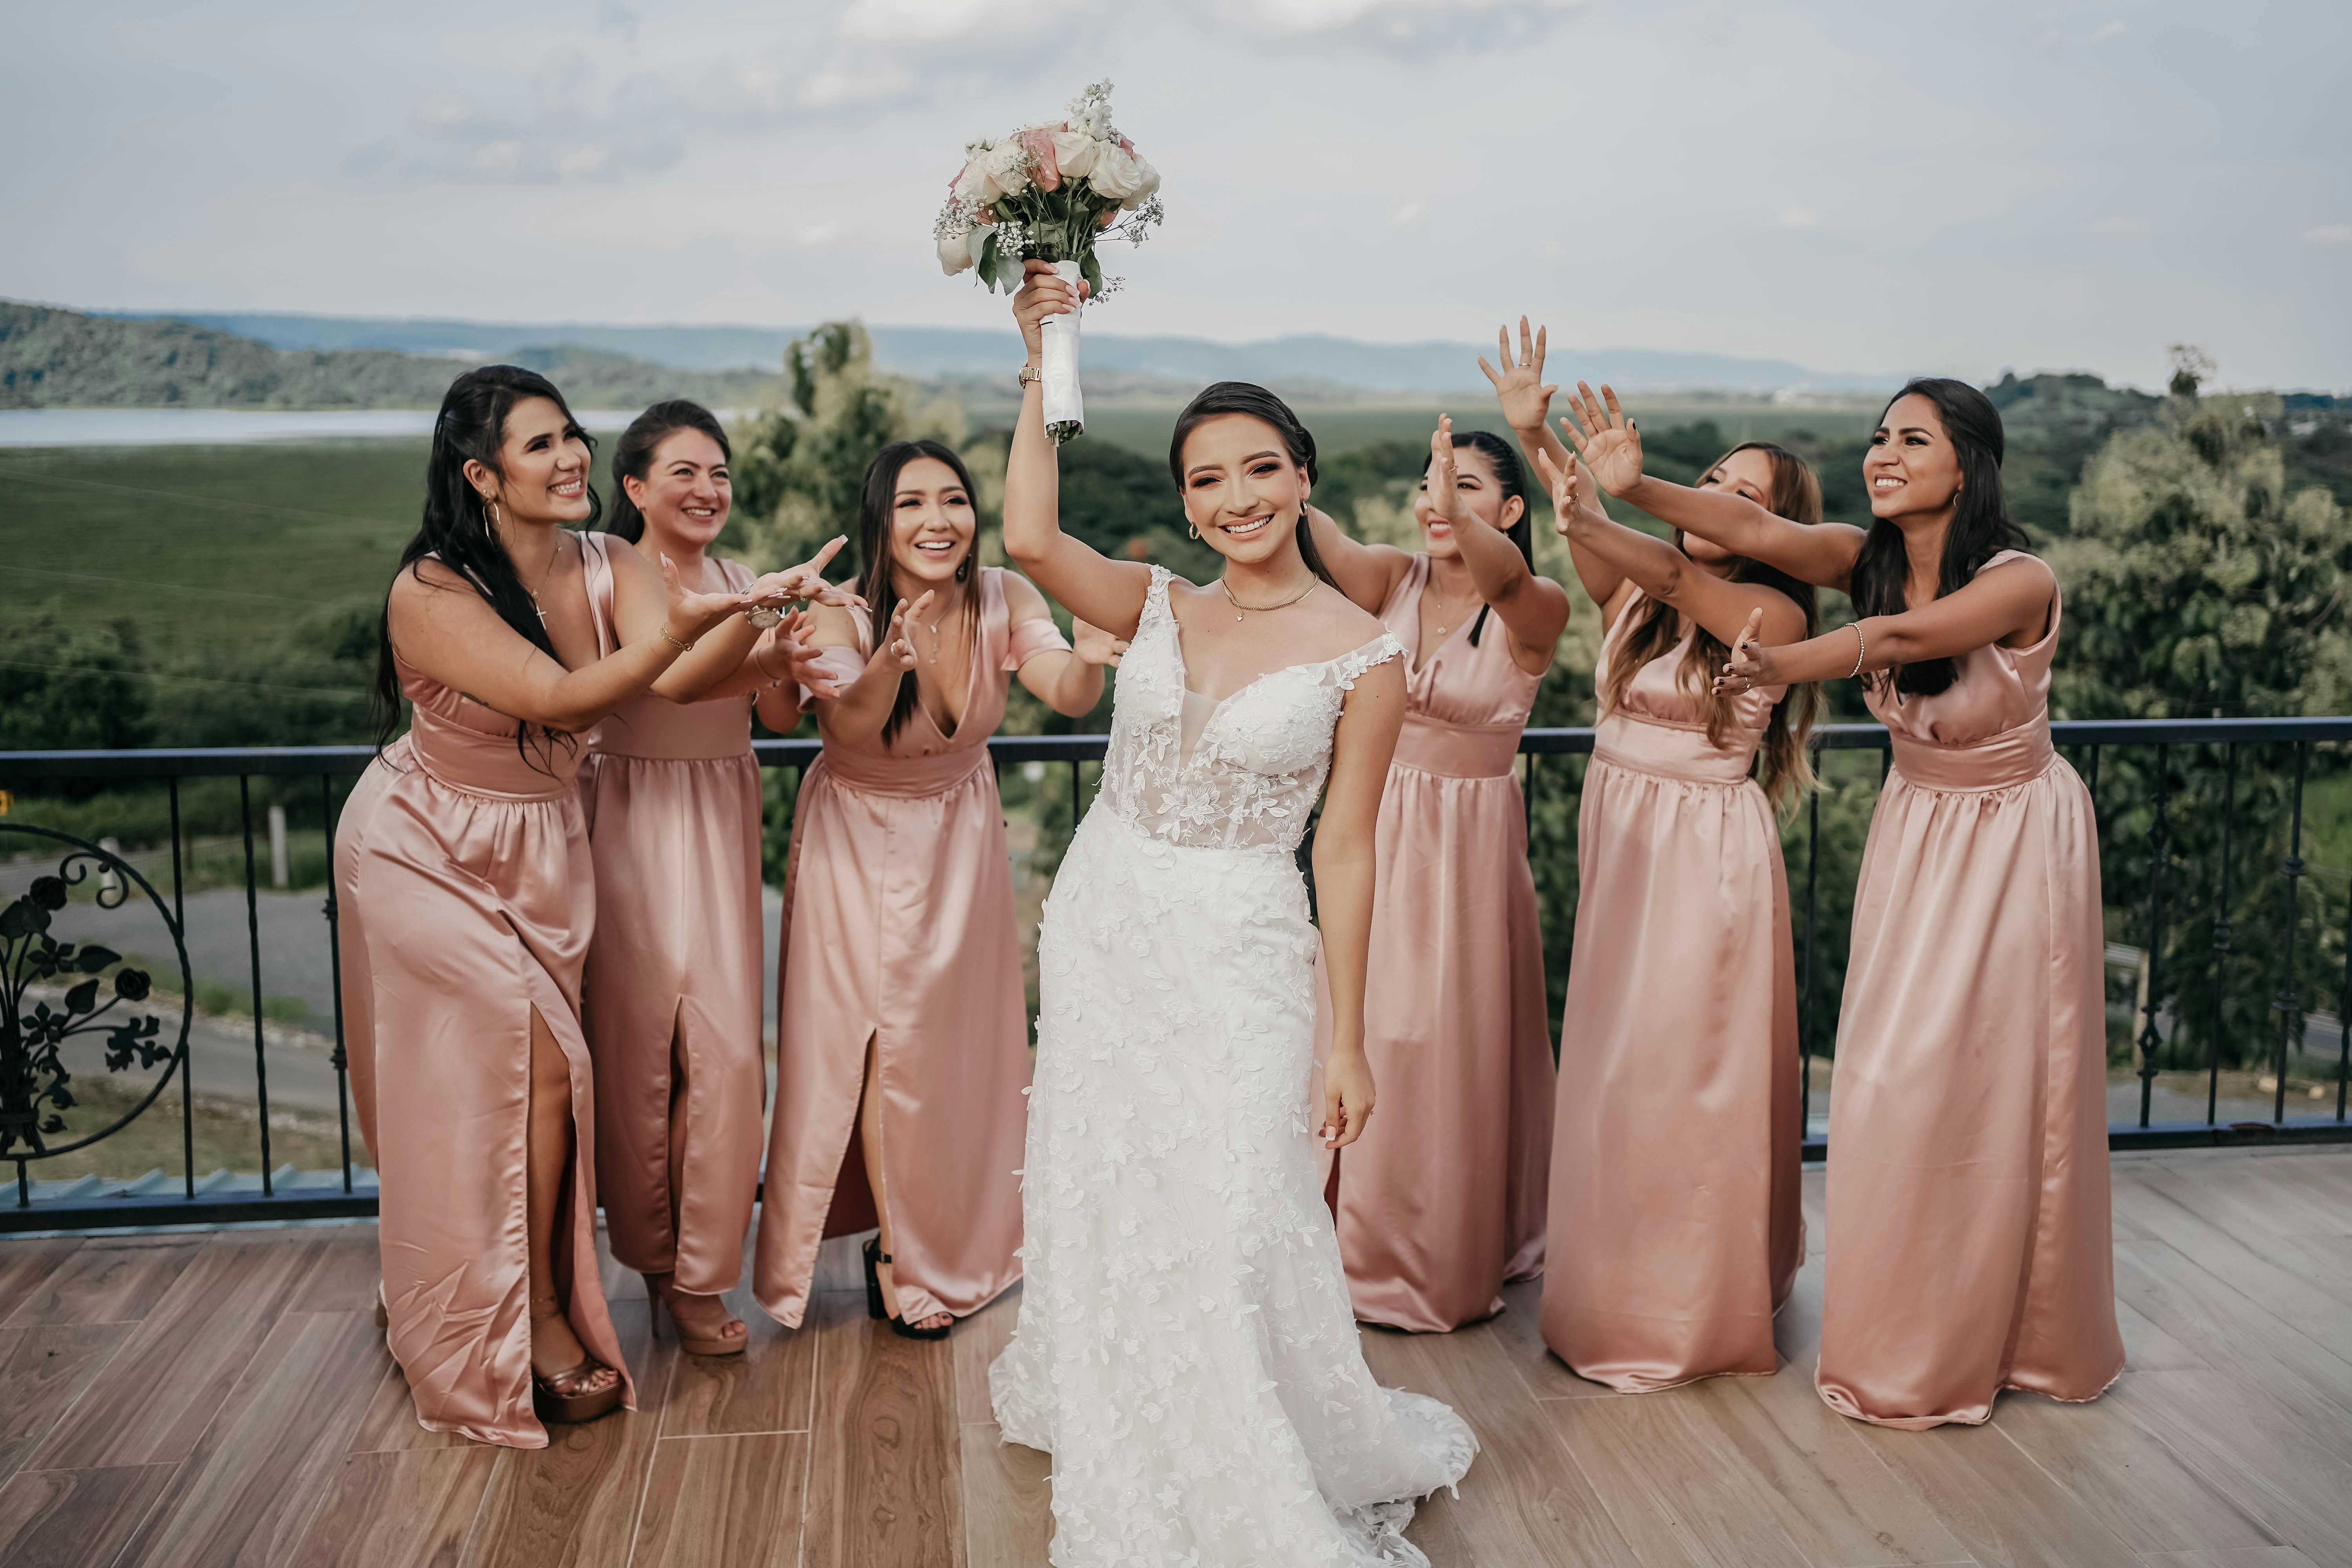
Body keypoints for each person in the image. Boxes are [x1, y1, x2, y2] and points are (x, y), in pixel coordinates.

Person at [989, 260, 1475, 1565]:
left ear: (1304, 477)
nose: (1237, 498)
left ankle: (1248, 1451)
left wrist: (1350, 1040)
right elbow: (1030, 541)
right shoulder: (1152, 601)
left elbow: (1352, 853)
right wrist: (1046, 358)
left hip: (1247, 942)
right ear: (1187, 506)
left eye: (1260, 468)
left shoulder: (1363, 655)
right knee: (1114, 1185)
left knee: (1242, 1208)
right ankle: (1131, 1408)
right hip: (1108, 920)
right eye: (1207, 479)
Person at [1608, 375, 2123, 1427]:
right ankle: (1904, 1329)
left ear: (1968, 465)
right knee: (1889, 1087)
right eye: (1879, 437)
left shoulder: (2021, 580)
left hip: (2015, 837)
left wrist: (1789, 661)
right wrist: (1638, 485)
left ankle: (2005, 1334)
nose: (1883, 455)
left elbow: (1895, 644)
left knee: (1990, 1083)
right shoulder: (1862, 557)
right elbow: (1750, 526)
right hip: (1917, 826)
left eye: (1913, 440)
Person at [334, 365, 819, 1446]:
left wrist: (755, 616)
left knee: (521, 1079)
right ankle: (543, 1317)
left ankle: (455, 1283)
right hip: (426, 844)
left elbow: (685, 666)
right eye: (541, 445)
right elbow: (564, 696)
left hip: (544, 843)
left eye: (572, 438)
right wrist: (708, 623)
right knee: (542, 1067)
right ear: (482, 475)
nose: (570, 461)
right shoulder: (433, 588)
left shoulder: (608, 560)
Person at [1499, 332, 1817, 1391]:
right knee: (1618, 1067)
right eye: (1711, 478)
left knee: (1686, 1072)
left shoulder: (1774, 612)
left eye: (1739, 494)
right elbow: (1593, 538)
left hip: (1702, 854)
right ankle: (1617, 1277)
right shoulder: (1633, 602)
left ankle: (1682, 1304)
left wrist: (1629, 497)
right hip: (1624, 840)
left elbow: (1670, 561)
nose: (1713, 498)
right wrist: (1536, 431)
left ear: (1775, 528)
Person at [751, 436, 1117, 1340]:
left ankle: (964, 1235)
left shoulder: (1005, 593)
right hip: (862, 840)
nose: (937, 520)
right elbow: (852, 722)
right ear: (881, 517)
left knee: (957, 1048)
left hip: (962, 832)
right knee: (883, 1046)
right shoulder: (844, 611)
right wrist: (890, 660)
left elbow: (1063, 691)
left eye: (952, 499)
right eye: (912, 503)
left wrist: (1097, 653)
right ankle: (898, 1257)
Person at [581, 399, 849, 1357]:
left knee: (731, 1055)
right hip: (632, 814)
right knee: (643, 1051)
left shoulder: (741, 577)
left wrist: (793, 645)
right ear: (636, 486)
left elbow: (773, 714)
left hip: (720, 808)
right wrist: (758, 632)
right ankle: (659, 1266)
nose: (708, 490)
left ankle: (701, 1268)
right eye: (685, 472)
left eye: (720, 473)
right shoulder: (610, 570)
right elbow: (678, 680)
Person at [1300, 394, 1568, 1333]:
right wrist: (1282, 471)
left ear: (1510, 511)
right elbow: (1322, 538)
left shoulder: (1535, 608)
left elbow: (1504, 583)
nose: (1434, 503)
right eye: (1426, 485)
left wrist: (1456, 498)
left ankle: (1426, 1249)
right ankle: (1329, 1235)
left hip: (1462, 856)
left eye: (1461, 487)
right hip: (1371, 827)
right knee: (1353, 1023)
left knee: (1436, 1042)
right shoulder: (1393, 580)